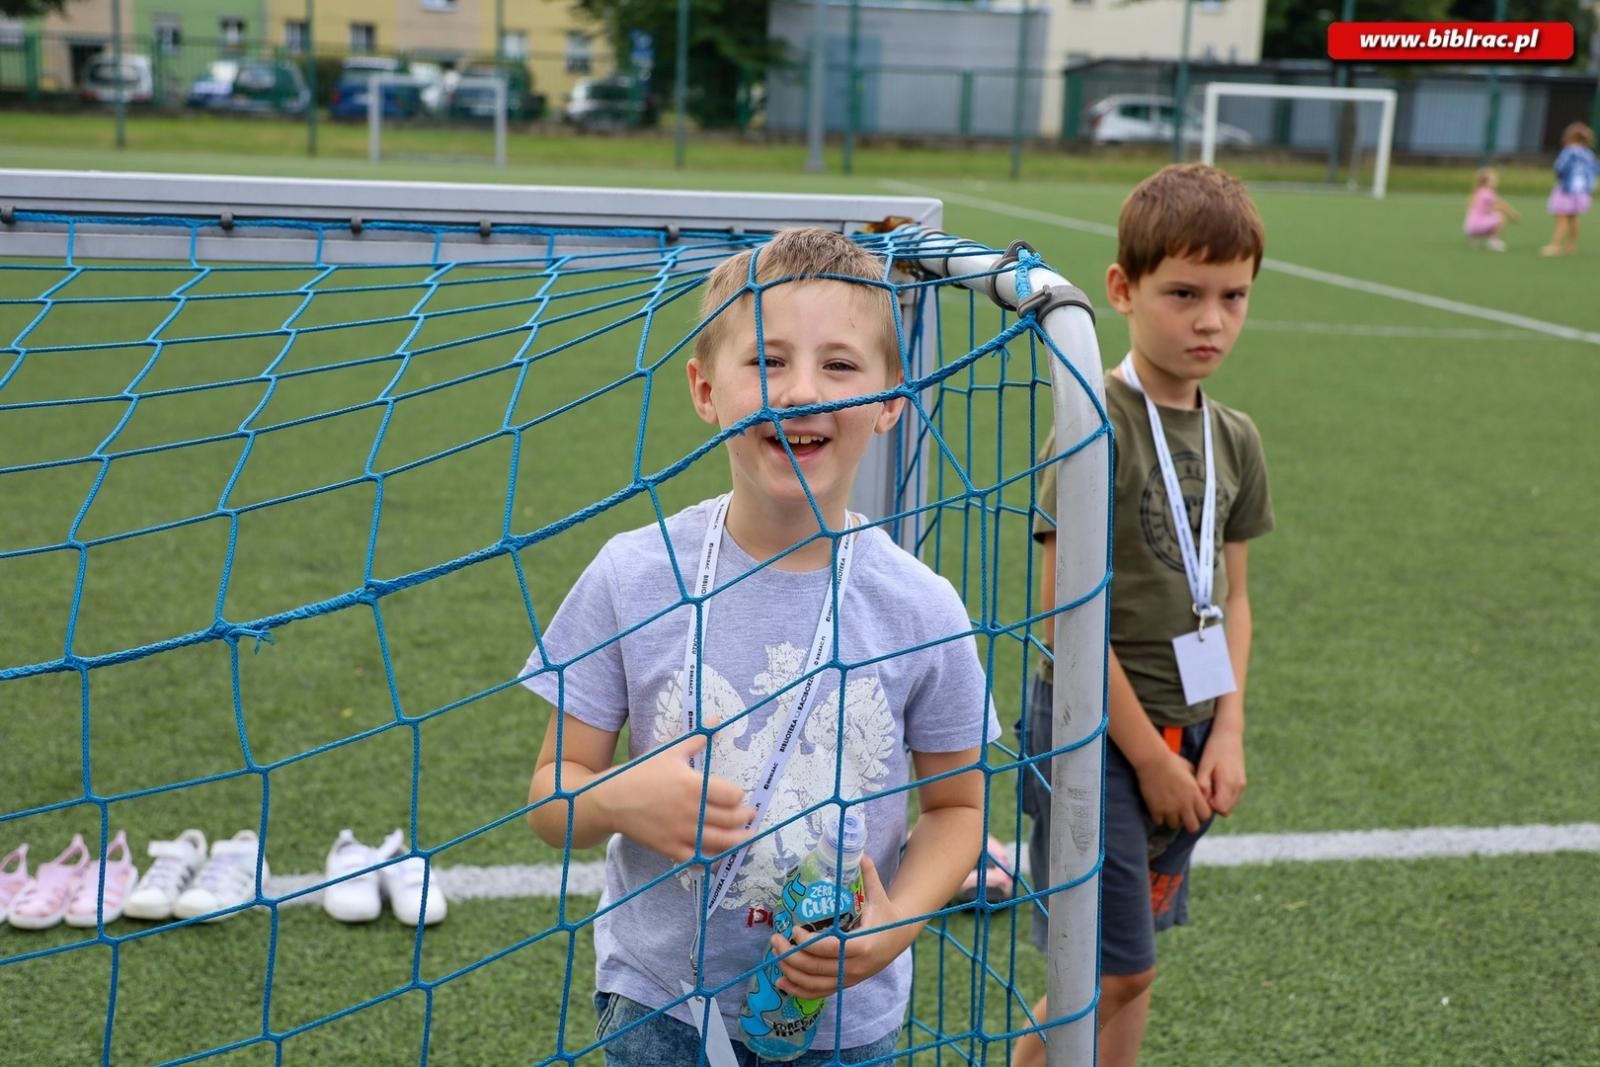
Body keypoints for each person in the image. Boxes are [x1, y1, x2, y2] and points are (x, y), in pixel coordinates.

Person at [522, 228, 999, 1066]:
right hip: (658, 1005)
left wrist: (891, 927)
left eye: (841, 365)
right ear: (706, 389)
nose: (801, 392)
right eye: (768, 361)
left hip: (843, 1014)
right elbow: (550, 797)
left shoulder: (923, 608)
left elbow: (959, 809)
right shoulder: (633, 574)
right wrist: (623, 799)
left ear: (892, 400)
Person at [1012, 164, 1275, 1067]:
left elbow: (1232, 595)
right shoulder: (1095, 423)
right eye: (1185, 294)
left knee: (1136, 970)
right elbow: (1059, 610)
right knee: (1107, 970)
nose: (1211, 320)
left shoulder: (1236, 435)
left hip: (1190, 734)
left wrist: (1227, 729)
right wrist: (1146, 760)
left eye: (1234, 296)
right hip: (1093, 734)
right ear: (1123, 290)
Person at [1539, 121, 1598, 257]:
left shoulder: (1568, 152)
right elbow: (1594, 169)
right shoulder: (1587, 154)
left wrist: (1560, 177)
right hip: (1582, 191)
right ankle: (1572, 244)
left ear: (1570, 138)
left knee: (1561, 216)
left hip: (1567, 189)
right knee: (1573, 216)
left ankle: (1556, 245)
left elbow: (1560, 168)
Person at [1463, 167, 1519, 252]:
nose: (1497, 182)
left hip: (1470, 226)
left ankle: (1473, 239)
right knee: (1500, 216)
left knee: (1488, 215)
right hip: (1478, 225)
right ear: (1487, 182)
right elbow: (1501, 206)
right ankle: (1493, 242)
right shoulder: (1487, 193)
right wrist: (1512, 215)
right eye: (1494, 180)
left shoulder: (1478, 191)